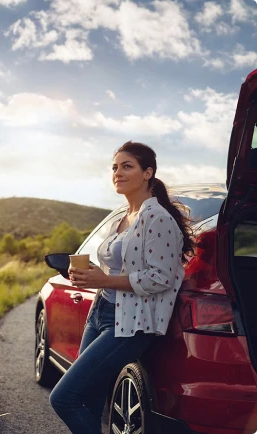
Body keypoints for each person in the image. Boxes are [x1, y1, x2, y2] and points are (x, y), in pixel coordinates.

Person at [48, 141, 196, 433]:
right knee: (87, 401)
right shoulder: (122, 218)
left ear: (147, 172)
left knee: (64, 398)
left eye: (127, 166)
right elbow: (121, 267)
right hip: (101, 311)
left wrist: (103, 280)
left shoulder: (158, 218)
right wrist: (92, 274)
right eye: (115, 167)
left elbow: (161, 277)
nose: (118, 172)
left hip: (131, 324)